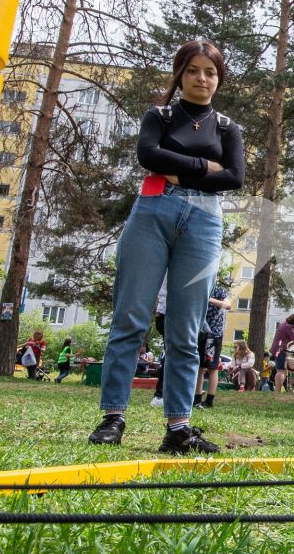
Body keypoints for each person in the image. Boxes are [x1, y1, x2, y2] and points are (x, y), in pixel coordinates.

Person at [89, 40, 243, 454]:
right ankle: (112, 417)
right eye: (193, 70)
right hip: (152, 212)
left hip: (204, 223)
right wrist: (200, 167)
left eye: (209, 72)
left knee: (185, 328)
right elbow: (147, 154)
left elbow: (233, 178)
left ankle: (178, 426)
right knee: (131, 318)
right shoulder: (159, 115)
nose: (201, 79)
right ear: (180, 73)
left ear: (218, 78)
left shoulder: (228, 128)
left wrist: (175, 167)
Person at [198, 276, 232, 407]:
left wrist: (208, 299)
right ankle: (197, 397)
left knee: (212, 368)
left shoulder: (219, 291)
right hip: (200, 333)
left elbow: (227, 305)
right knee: (199, 367)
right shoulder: (198, 289)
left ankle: (209, 400)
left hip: (214, 335)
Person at [268, 313, 294, 391]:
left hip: (277, 349)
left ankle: (278, 390)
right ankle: (277, 390)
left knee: (282, 371)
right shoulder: (290, 327)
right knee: (281, 371)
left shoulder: (284, 324)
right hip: (282, 350)